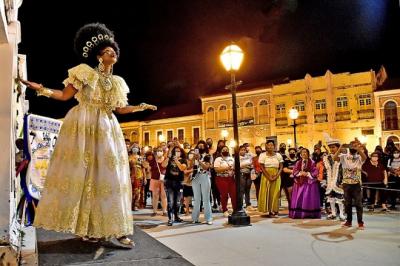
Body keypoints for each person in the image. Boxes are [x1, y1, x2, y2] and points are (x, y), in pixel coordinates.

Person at [20, 23, 156, 248]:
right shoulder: (84, 72)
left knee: (110, 178)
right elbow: (64, 96)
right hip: (83, 126)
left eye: (114, 51)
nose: (112, 52)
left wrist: (140, 107)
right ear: (98, 56)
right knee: (84, 177)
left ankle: (118, 229)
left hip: (106, 128)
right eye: (106, 51)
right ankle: (89, 229)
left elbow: (120, 109)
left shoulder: (117, 82)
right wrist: (40, 89)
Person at [334, 139, 367, 229]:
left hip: (356, 184)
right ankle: (349, 221)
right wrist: (340, 147)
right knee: (347, 204)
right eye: (352, 145)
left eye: (355, 145)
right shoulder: (344, 156)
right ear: (349, 146)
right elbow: (334, 158)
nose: (353, 147)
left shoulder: (359, 157)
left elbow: (365, 158)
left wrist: (358, 148)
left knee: (358, 204)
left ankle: (360, 223)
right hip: (346, 184)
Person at [289, 148, 321, 219]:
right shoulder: (298, 162)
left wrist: (307, 173)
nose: (304, 154)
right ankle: (299, 213)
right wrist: (300, 173)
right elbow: (294, 171)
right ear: (300, 154)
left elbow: (315, 172)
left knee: (307, 198)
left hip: (309, 182)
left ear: (308, 154)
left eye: (305, 152)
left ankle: (309, 213)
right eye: (302, 152)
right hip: (300, 182)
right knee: (299, 197)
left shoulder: (312, 162)